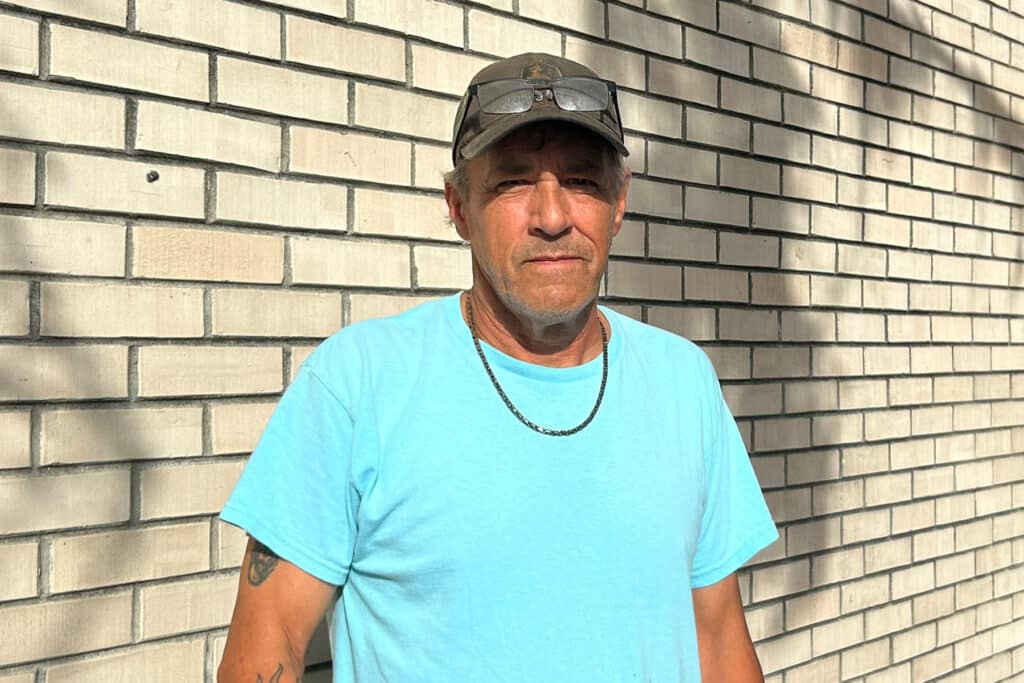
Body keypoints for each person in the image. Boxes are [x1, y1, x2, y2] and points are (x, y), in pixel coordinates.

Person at [218, 52, 778, 683]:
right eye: (512, 182)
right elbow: (272, 643)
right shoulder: (359, 383)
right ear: (458, 208)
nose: (553, 217)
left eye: (583, 182)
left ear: (619, 203)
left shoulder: (683, 383)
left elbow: (719, 635)